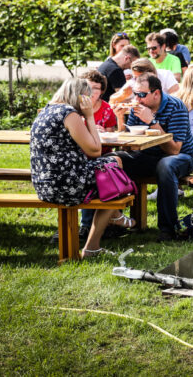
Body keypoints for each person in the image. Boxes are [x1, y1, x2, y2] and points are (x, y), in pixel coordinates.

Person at [29, 78, 125, 257]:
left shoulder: (47, 111)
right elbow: (95, 150)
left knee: (113, 166)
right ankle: (93, 246)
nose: (90, 101)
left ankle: (115, 217)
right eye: (88, 97)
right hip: (66, 184)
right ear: (80, 97)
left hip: (44, 184)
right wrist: (89, 116)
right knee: (115, 176)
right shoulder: (68, 113)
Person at [112, 74, 193, 241]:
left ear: (156, 93)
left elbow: (174, 150)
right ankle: (110, 222)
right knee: (112, 161)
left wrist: (152, 121)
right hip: (147, 154)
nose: (137, 98)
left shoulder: (176, 107)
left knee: (165, 165)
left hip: (181, 157)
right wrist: (120, 119)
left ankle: (168, 228)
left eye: (142, 94)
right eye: (135, 94)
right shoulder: (139, 108)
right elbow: (130, 142)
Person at [75, 70, 134, 238]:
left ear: (102, 91)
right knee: (98, 173)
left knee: (105, 168)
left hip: (101, 153)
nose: (93, 92)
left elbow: (111, 132)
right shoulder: (74, 108)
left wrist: (101, 130)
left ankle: (92, 225)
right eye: (89, 87)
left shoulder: (106, 109)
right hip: (80, 155)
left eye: (97, 88)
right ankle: (96, 223)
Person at [110, 58, 178, 105]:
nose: (138, 80)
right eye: (135, 77)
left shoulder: (165, 75)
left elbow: (177, 97)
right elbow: (112, 100)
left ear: (152, 73)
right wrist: (123, 95)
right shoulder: (134, 82)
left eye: (141, 77)